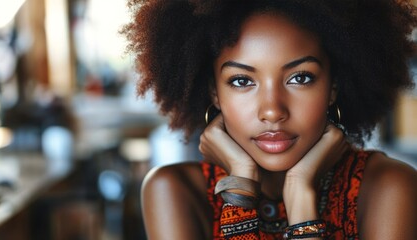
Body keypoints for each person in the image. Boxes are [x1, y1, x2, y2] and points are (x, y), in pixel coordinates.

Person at [122, 0, 417, 239]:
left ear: (333, 88)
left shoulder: (389, 188)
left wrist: (301, 196)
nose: (273, 111)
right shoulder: (176, 191)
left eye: (300, 78)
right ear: (214, 92)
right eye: (241, 81)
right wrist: (239, 187)